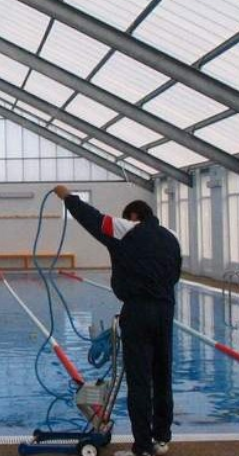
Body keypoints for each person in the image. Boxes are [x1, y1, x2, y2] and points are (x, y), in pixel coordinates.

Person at [53, 185, 180, 456]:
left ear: (134, 216)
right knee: (162, 375)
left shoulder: (125, 229)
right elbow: (176, 275)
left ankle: (143, 447)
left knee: (139, 380)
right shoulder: (172, 237)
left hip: (138, 311)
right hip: (166, 310)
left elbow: (92, 218)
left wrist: (67, 197)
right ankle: (161, 439)